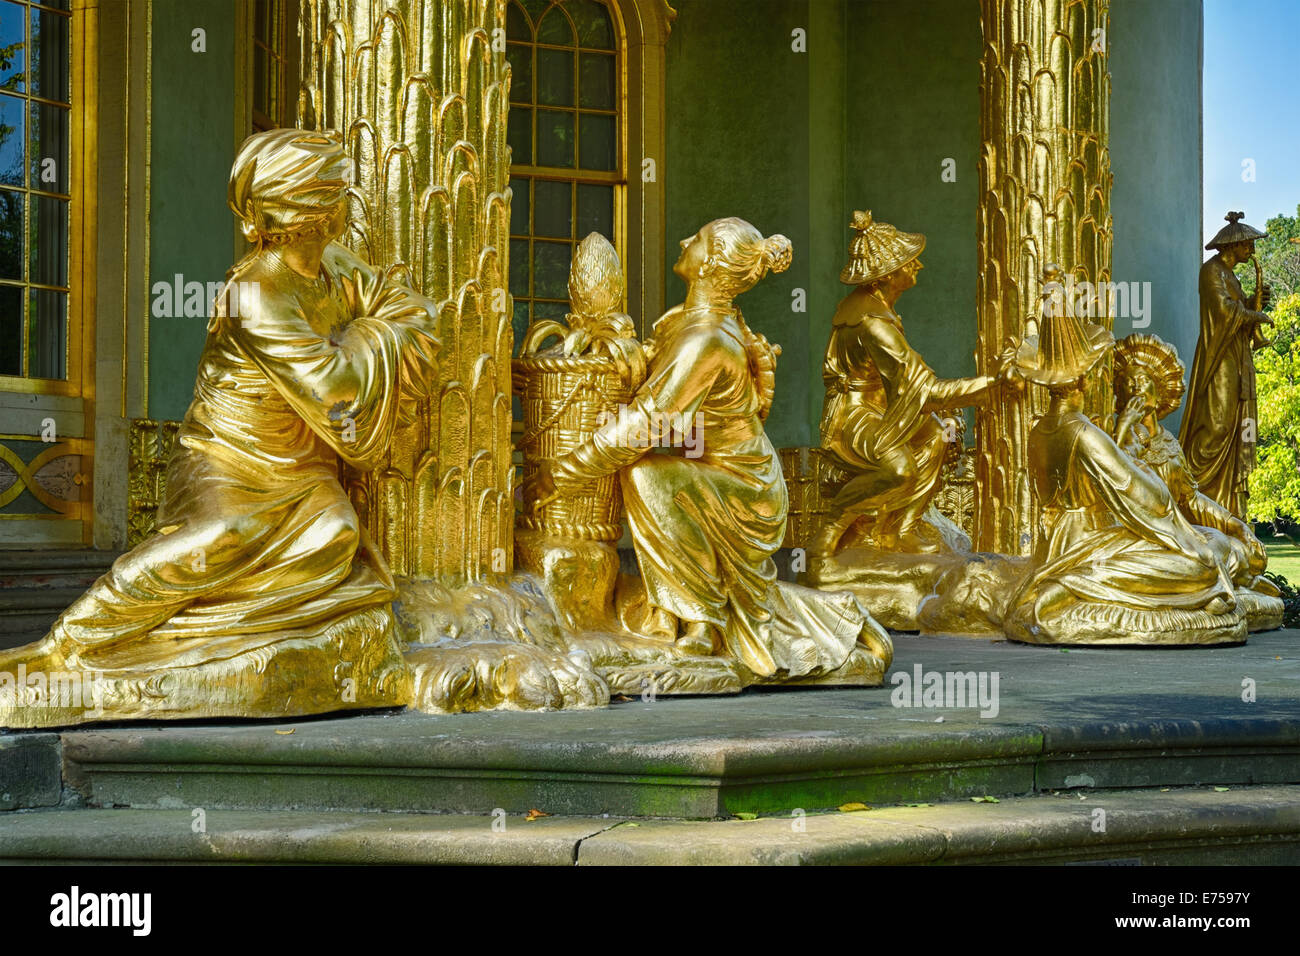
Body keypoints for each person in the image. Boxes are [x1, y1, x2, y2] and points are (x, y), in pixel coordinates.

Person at [0, 129, 440, 726]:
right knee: (224, 538)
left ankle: (218, 631)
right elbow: (335, 389)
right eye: (338, 191)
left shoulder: (334, 268)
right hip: (228, 460)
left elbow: (412, 306)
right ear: (306, 210)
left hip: (298, 465)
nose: (348, 204)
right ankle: (74, 641)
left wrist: (367, 334)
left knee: (337, 534)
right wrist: (375, 335)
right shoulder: (257, 291)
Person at [526, 217, 892, 679]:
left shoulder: (707, 339)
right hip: (720, 467)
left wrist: (561, 472)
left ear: (713, 264)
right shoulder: (689, 323)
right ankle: (751, 615)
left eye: (695, 239)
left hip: (743, 487)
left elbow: (647, 423)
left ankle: (701, 622)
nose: (683, 240)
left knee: (647, 472)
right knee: (654, 471)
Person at [1003, 310, 1245, 646]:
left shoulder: (1038, 431)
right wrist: (1128, 443)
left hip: (1061, 540)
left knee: (1212, 540)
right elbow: (1150, 499)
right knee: (1204, 561)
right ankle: (1074, 583)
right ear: (1083, 379)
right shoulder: (1086, 434)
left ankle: (1071, 582)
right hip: (1087, 543)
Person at [812, 211, 1010, 556]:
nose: (916, 267)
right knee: (900, 469)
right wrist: (993, 386)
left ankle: (901, 529)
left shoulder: (872, 307)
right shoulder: (873, 325)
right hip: (852, 417)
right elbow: (926, 392)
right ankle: (833, 523)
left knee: (936, 434)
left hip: (877, 409)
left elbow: (912, 384)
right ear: (888, 275)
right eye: (908, 262)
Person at [1112, 333, 1281, 628]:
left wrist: (1234, 525)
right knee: (1204, 558)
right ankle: (1209, 588)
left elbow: (1189, 498)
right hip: (1138, 538)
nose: (1135, 386)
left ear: (1159, 389)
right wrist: (1123, 429)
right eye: (1128, 380)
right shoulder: (1113, 437)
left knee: (1234, 549)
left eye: (1143, 379)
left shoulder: (1170, 445)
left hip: (1179, 536)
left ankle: (1223, 582)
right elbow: (1113, 482)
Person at [1179, 211, 1274, 518]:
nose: (1252, 251)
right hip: (1218, 357)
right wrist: (1253, 315)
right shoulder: (1212, 271)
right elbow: (1222, 312)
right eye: (1248, 245)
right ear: (1233, 245)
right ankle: (1189, 488)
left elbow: (1235, 311)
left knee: (1234, 425)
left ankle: (1223, 507)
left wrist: (1253, 303)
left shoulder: (1230, 275)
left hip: (1235, 355)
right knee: (1218, 426)